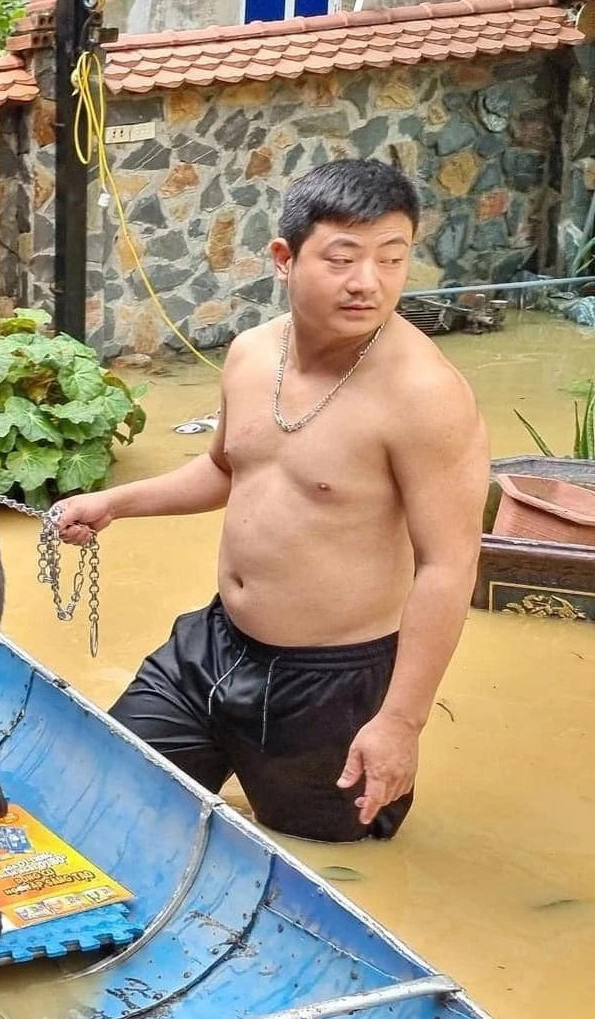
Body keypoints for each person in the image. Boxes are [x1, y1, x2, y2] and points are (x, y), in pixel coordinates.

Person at [52, 158, 489, 843]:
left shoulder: (424, 396)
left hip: (329, 683)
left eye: (391, 258)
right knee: (103, 788)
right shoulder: (252, 352)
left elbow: (448, 566)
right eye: (341, 257)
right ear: (284, 258)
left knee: (323, 858)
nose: (366, 281)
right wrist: (114, 501)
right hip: (212, 646)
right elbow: (227, 468)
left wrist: (400, 722)